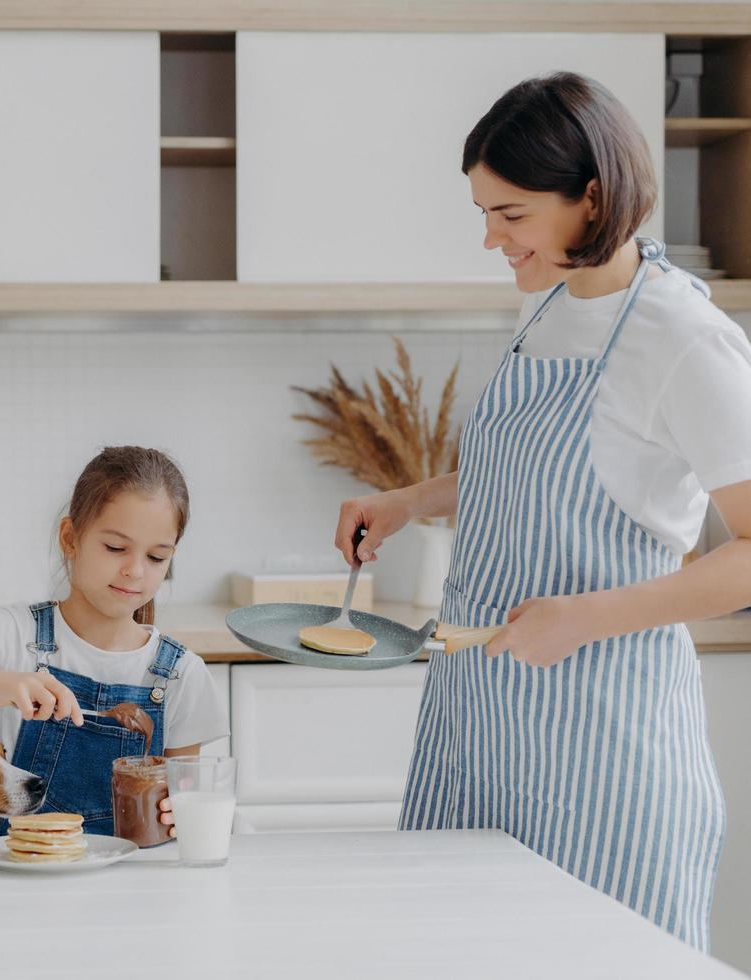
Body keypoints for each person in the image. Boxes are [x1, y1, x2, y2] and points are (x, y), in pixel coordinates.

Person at [334, 73, 748, 949]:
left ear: (591, 197)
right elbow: (534, 465)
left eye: (511, 214)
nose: (490, 238)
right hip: (484, 730)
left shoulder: (686, 338)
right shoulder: (549, 304)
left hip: (605, 752)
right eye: (484, 212)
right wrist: (411, 499)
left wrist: (585, 619)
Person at [0, 446, 228, 837]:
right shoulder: (16, 635)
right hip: (17, 884)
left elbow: (183, 804)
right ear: (70, 538)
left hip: (128, 885)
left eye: (156, 557)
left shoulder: (181, 675)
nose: (135, 571)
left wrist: (179, 813)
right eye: (116, 548)